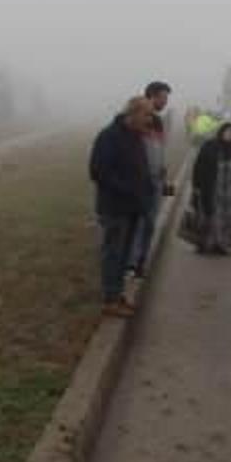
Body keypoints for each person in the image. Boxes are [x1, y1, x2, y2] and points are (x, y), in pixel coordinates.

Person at [89, 97, 155, 318]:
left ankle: (117, 295)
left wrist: (145, 192)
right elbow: (98, 172)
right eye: (146, 115)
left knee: (124, 255)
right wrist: (128, 189)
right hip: (115, 207)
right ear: (133, 113)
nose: (149, 120)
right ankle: (110, 299)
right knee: (113, 254)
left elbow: (141, 169)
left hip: (133, 207)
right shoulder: (109, 136)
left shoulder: (135, 136)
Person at [128, 81, 173, 279]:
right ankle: (131, 263)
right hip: (141, 181)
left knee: (149, 224)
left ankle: (140, 263)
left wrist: (164, 175)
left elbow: (159, 150)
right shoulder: (138, 120)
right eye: (163, 97)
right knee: (138, 223)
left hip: (156, 180)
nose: (165, 101)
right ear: (152, 97)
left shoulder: (158, 121)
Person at [192, 122, 231, 255]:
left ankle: (222, 244)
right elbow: (199, 166)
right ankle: (208, 244)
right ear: (222, 132)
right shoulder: (209, 145)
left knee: (227, 218)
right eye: (228, 132)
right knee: (211, 216)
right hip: (212, 189)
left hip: (229, 191)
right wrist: (196, 186)